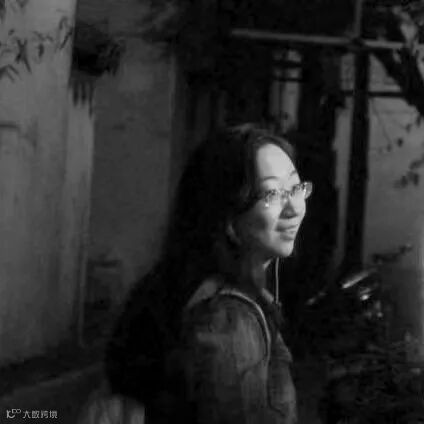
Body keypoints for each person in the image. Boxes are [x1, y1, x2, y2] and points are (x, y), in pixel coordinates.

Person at [104, 123, 313, 424]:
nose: (294, 207)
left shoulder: (194, 289)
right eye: (272, 194)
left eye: (295, 187)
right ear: (227, 216)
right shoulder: (229, 319)